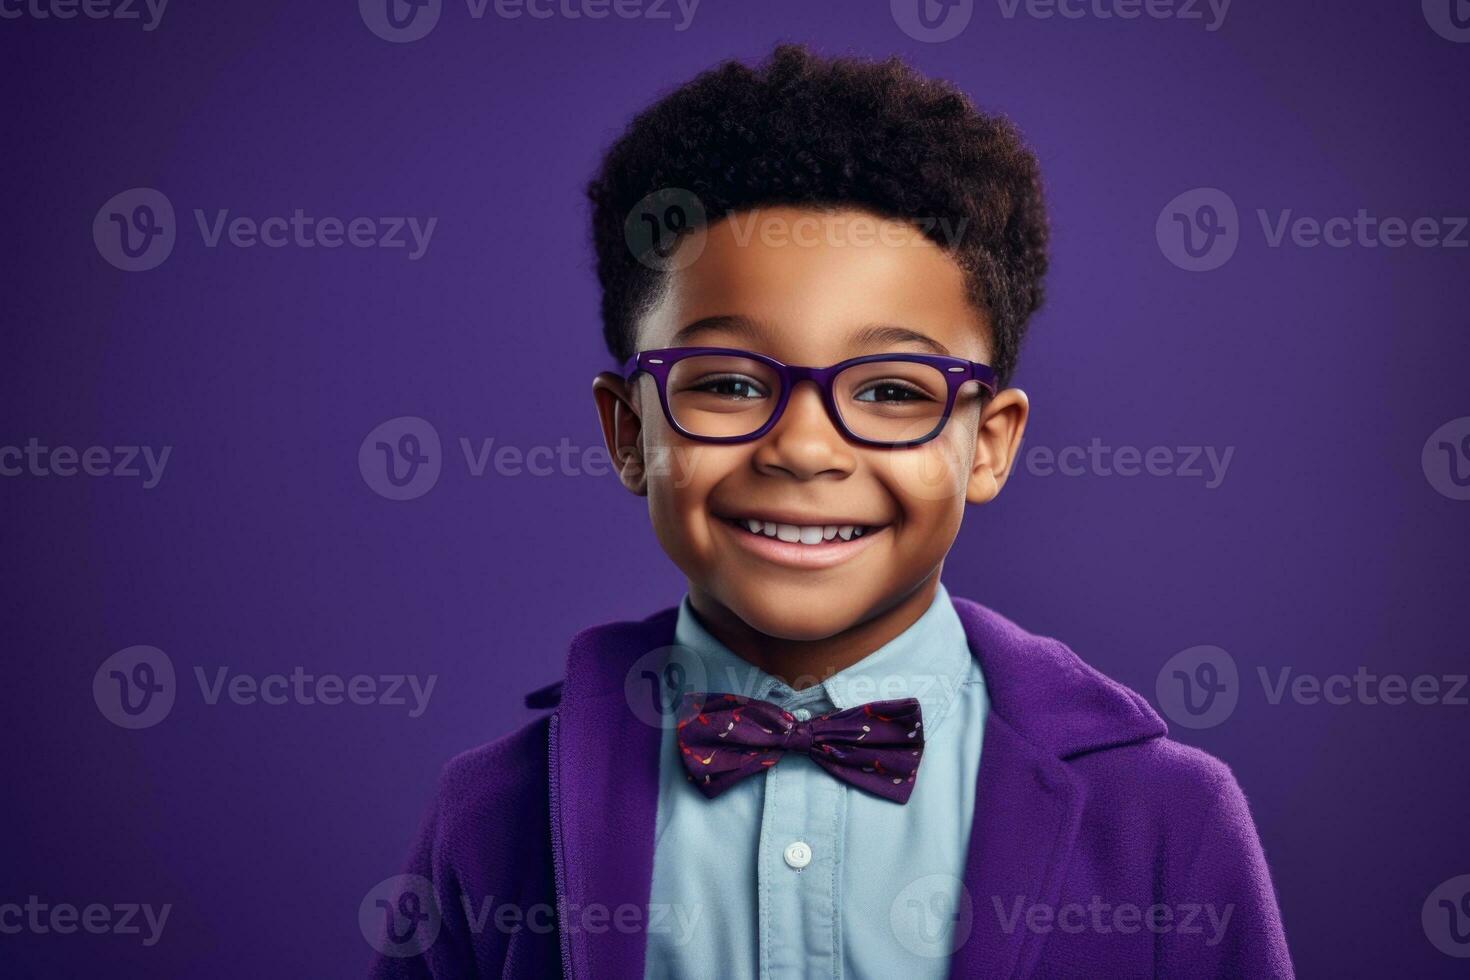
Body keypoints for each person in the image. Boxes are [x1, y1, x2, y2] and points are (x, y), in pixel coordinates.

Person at [371, 43, 1293, 979]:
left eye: (894, 389)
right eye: (727, 381)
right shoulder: (494, 812)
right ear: (625, 432)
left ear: (989, 444)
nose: (805, 450)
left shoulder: (1167, 819)